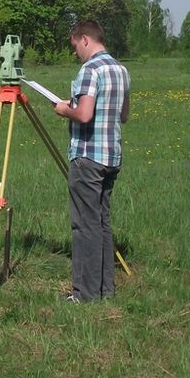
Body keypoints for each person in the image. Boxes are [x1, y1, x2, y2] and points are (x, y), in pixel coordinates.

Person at [53, 20, 130, 302]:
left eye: (75, 46)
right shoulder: (121, 69)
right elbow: (123, 115)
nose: (75, 53)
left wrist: (64, 109)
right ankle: (104, 290)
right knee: (101, 223)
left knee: (84, 225)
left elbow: (84, 115)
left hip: (88, 156)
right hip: (111, 156)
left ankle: (84, 295)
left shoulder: (90, 70)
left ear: (85, 39)